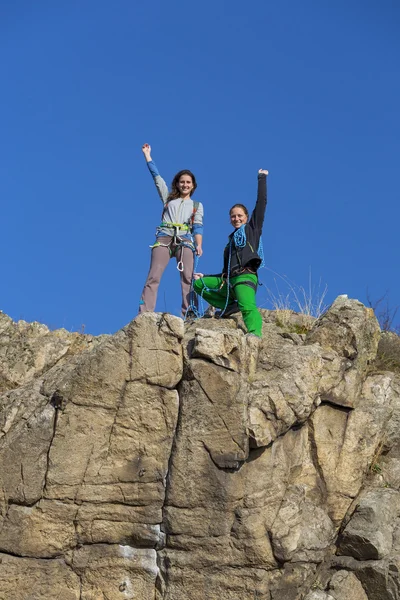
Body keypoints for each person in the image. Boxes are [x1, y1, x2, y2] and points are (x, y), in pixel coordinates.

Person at [193, 169, 268, 338]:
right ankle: (229, 307)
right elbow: (226, 270)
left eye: (240, 215)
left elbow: (262, 202)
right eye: (233, 216)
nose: (236, 219)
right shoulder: (230, 243)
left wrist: (262, 178)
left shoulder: (252, 230)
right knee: (198, 284)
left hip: (244, 277)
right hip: (228, 280)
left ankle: (255, 333)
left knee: (248, 308)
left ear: (247, 217)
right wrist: (205, 275)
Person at [139, 143, 204, 316]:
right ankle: (145, 312)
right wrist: (148, 156)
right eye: (182, 182)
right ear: (177, 184)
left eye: (188, 182)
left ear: (193, 185)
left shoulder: (196, 205)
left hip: (185, 240)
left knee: (188, 278)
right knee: (153, 275)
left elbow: (198, 226)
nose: (185, 185)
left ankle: (191, 312)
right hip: (164, 237)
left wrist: (199, 245)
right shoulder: (168, 198)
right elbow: (157, 178)